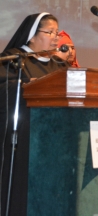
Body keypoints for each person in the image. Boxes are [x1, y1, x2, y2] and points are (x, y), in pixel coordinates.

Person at [0, 13, 67, 216]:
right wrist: (28, 86)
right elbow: (5, 90)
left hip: (54, 143)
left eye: (57, 33)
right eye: (50, 32)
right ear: (31, 36)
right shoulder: (12, 61)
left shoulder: (60, 66)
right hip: (22, 142)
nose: (56, 38)